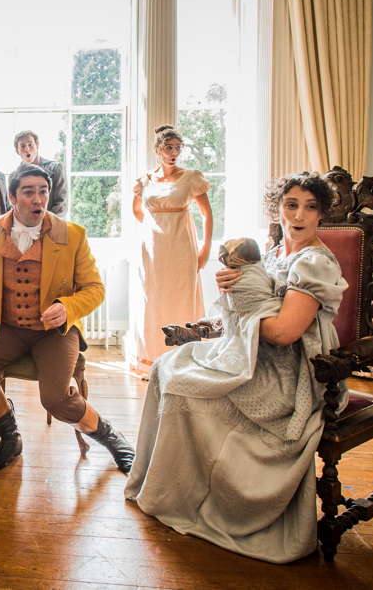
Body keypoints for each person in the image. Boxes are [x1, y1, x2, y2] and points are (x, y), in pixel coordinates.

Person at [125, 172, 349, 563]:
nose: (299, 214)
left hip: (291, 371)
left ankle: (216, 500)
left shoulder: (314, 263)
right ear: (277, 208)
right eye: (291, 204)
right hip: (253, 355)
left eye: (310, 207)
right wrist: (232, 288)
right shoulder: (274, 251)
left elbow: (283, 332)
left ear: (322, 215)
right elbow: (253, 306)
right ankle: (172, 488)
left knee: (186, 386)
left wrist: (243, 302)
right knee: (166, 367)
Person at [0, 165, 135, 474]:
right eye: (28, 192)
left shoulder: (71, 235)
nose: (37, 199)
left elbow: (95, 289)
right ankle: (9, 435)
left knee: (55, 400)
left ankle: (111, 437)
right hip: (9, 326)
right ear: (12, 197)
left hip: (54, 332)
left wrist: (67, 307)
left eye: (43, 191)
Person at [127, 125, 213, 375]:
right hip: (153, 248)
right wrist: (152, 229)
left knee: (181, 296)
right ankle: (152, 360)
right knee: (152, 299)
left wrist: (205, 249)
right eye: (168, 147)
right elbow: (136, 210)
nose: (173, 152)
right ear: (158, 150)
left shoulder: (191, 177)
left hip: (181, 245)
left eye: (177, 147)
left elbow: (207, 214)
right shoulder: (144, 180)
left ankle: (183, 359)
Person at [13, 129, 67, 215]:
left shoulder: (56, 168)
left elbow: (61, 203)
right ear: (17, 151)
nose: (27, 149)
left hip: (50, 225)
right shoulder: (14, 176)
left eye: (30, 145)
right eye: (22, 146)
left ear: (37, 146)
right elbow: (14, 205)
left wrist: (46, 223)